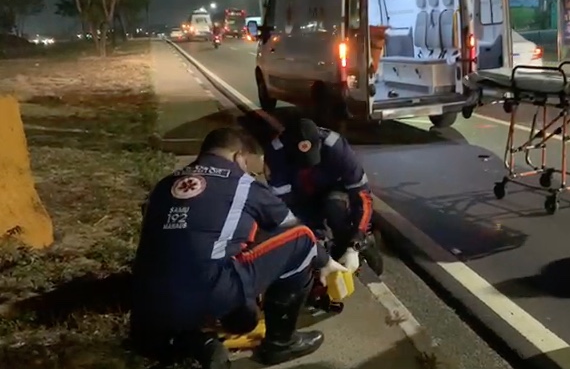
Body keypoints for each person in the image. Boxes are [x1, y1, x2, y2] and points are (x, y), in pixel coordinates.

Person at [130, 127, 347, 368]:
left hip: (145, 304)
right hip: (209, 292)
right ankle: (281, 344)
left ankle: (193, 341)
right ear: (238, 157)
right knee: (302, 239)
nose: (251, 174)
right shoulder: (243, 184)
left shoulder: (164, 186)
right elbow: (290, 229)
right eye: (250, 168)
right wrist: (327, 262)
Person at [264, 116, 383, 275]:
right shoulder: (275, 154)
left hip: (333, 191)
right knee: (307, 239)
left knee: (336, 209)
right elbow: (284, 205)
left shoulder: (337, 148)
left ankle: (359, 246)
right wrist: (312, 240)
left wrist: (356, 241)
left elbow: (362, 197)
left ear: (319, 142)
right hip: (300, 195)